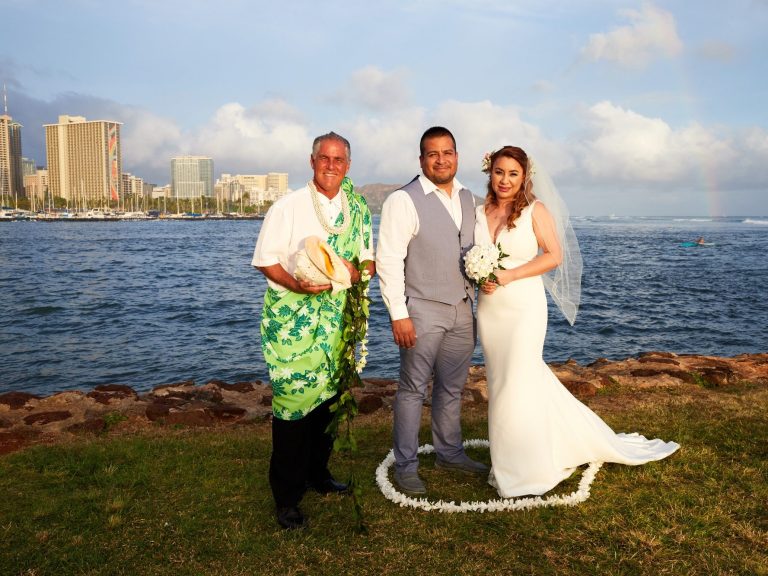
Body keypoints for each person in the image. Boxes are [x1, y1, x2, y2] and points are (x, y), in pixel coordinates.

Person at [475, 145, 679, 498]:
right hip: (490, 310)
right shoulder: (480, 212)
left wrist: (510, 276)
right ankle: (510, 458)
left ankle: (524, 469)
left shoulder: (535, 211)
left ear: (525, 177)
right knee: (500, 381)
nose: (505, 180)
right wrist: (480, 274)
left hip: (523, 308)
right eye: (499, 172)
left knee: (518, 382)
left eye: (513, 174)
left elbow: (554, 256)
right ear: (489, 173)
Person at [252, 132, 375, 529]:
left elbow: (368, 262)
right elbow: (265, 261)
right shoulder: (288, 207)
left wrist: (358, 271)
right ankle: (287, 498)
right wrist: (295, 284)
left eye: (339, 160)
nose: (331, 165)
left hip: (338, 323)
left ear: (348, 165)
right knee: (292, 408)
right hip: (293, 324)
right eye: (325, 158)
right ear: (312, 160)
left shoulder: (358, 209)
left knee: (328, 403)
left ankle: (318, 474)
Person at [376, 126, 488, 496]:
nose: (441, 159)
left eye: (448, 152)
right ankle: (406, 466)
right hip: (421, 309)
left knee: (452, 388)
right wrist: (398, 314)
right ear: (421, 159)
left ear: (457, 155)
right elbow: (388, 260)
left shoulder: (469, 197)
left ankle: (449, 452)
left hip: (461, 309)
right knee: (411, 389)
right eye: (432, 153)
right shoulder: (402, 200)